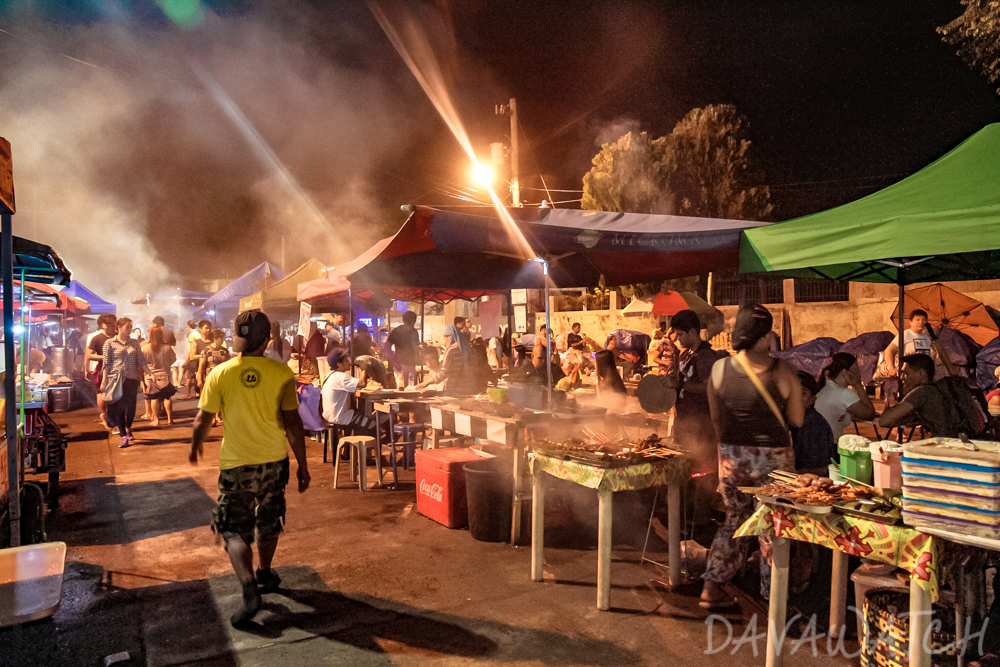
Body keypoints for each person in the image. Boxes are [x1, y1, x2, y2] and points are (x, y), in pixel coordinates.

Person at [190, 309, 309, 627]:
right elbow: (293, 423)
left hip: (236, 464)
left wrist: (195, 444)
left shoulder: (220, 373)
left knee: (233, 528)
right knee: (269, 521)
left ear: (237, 337)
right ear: (268, 339)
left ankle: (249, 589)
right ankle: (265, 573)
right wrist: (303, 466)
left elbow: (204, 418)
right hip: (273, 462)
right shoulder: (282, 373)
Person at [701, 304, 804, 609]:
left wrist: (729, 452)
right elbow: (797, 420)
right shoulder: (783, 371)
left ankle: (712, 587)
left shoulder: (719, 369)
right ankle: (775, 600)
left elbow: (716, 418)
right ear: (764, 336)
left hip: (732, 457)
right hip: (774, 461)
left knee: (734, 521)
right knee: (773, 526)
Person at [878, 354, 986, 438]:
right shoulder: (944, 390)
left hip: (944, 447)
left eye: (906, 373)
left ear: (921, 374)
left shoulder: (921, 392)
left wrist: (888, 410)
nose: (902, 378)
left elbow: (884, 421)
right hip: (971, 440)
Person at [671, 310, 721, 474]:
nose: (678, 339)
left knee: (700, 465)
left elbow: (710, 387)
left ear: (692, 331)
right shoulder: (686, 354)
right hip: (685, 419)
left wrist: (682, 385)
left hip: (700, 422)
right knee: (683, 461)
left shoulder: (704, 356)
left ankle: (701, 497)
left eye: (680, 334)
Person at [102, 317, 151, 448]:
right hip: (115, 379)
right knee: (119, 408)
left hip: (132, 378)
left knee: (131, 407)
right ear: (119, 327)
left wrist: (149, 372)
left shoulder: (134, 343)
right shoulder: (109, 343)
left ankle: (128, 427)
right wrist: (103, 381)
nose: (130, 330)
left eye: (131, 327)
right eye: (127, 327)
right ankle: (123, 435)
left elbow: (140, 361)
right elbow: (106, 364)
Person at [814, 352, 876, 439]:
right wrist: (858, 384)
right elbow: (869, 414)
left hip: (818, 441)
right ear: (845, 372)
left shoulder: (825, 388)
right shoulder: (844, 393)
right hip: (830, 445)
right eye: (856, 370)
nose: (859, 373)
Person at [791, 371, 837, 473]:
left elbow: (818, 469)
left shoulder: (814, 425)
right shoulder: (790, 419)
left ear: (812, 399)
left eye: (802, 393)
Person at [321, 348, 374, 433]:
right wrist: (363, 369)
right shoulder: (340, 377)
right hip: (341, 417)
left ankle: (357, 442)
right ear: (339, 364)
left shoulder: (331, 375)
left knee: (360, 415)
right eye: (346, 360)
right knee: (373, 424)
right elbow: (362, 383)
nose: (349, 362)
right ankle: (362, 444)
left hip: (330, 415)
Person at [142, 325, 177, 427]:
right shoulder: (167, 347)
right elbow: (173, 359)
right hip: (165, 374)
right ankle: (170, 419)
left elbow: (142, 362)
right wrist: (166, 364)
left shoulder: (145, 348)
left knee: (154, 397)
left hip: (150, 375)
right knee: (167, 397)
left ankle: (156, 420)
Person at [87, 314, 117, 429]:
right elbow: (89, 355)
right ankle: (105, 415)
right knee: (102, 393)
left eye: (114, 325)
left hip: (119, 369)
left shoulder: (118, 336)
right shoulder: (97, 338)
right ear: (103, 325)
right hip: (103, 369)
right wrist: (104, 357)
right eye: (110, 325)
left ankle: (113, 417)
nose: (112, 327)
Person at [385, 311, 420, 387]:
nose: (411, 326)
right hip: (400, 365)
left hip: (411, 364)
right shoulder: (397, 331)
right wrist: (394, 362)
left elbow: (416, 347)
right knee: (401, 389)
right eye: (409, 323)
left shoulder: (414, 332)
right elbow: (387, 347)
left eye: (412, 323)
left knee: (412, 389)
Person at [185, 320, 212, 399]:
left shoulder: (212, 341)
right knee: (202, 393)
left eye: (209, 328)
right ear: (200, 329)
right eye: (206, 328)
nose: (208, 330)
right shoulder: (196, 342)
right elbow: (192, 356)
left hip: (212, 369)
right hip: (201, 370)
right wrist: (202, 355)